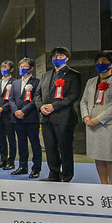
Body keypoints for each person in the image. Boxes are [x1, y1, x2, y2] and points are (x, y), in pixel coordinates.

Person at [36, 47, 81, 182]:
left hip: (64, 118)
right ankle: (53, 174)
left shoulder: (73, 75)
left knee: (65, 148)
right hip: (46, 118)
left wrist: (53, 106)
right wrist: (41, 107)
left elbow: (73, 96)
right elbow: (37, 95)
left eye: (60, 56)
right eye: (54, 56)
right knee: (50, 148)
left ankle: (66, 175)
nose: (57, 58)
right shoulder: (46, 75)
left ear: (67, 58)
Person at [80, 50, 112, 184]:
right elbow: (84, 101)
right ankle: (103, 184)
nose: (99, 64)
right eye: (97, 62)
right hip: (91, 124)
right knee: (98, 156)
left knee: (110, 157)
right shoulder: (91, 82)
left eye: (103, 62)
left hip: (109, 124)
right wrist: (86, 116)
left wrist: (98, 119)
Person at [9, 58, 42, 178]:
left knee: (35, 144)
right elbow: (11, 99)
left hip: (31, 118)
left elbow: (36, 100)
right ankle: (22, 166)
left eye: (25, 66)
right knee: (21, 144)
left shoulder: (37, 82)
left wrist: (23, 111)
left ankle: (36, 168)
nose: (22, 68)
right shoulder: (15, 83)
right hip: (17, 119)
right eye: (21, 66)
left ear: (31, 68)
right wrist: (16, 111)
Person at [0, 60, 16, 169]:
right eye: (2, 67)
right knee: (1, 138)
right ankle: (3, 160)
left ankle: (11, 161)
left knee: (11, 139)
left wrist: (2, 108)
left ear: (11, 69)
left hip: (9, 114)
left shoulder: (15, 82)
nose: (3, 69)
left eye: (6, 67)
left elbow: (13, 99)